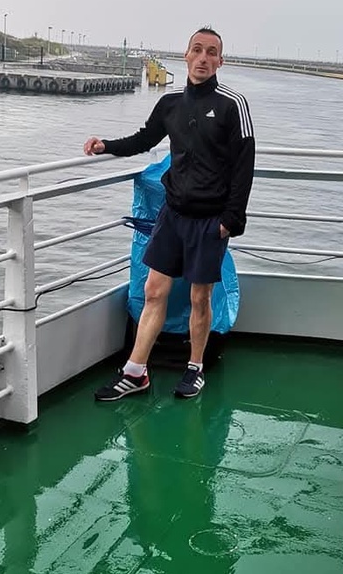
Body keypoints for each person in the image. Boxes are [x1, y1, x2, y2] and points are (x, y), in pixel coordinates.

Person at [83, 26, 255, 401]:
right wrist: (105, 145)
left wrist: (231, 220)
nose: (204, 58)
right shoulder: (170, 103)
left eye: (212, 52)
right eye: (198, 50)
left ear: (220, 61)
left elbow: (244, 166)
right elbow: (145, 139)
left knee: (199, 298)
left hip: (210, 219)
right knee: (153, 291)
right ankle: (135, 372)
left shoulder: (232, 104)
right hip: (172, 213)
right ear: (186, 56)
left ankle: (195, 368)